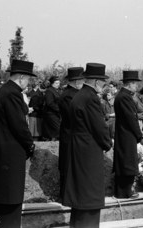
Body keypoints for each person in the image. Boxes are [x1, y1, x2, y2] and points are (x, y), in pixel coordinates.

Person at [62, 63, 112, 228]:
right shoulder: (90, 98)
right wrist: (108, 144)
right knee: (88, 197)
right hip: (88, 152)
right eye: (103, 83)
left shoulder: (79, 94)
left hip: (78, 147)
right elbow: (99, 127)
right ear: (97, 82)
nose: (104, 86)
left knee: (80, 197)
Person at [0, 60, 36, 228]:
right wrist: (31, 145)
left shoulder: (4, 91)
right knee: (10, 196)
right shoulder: (12, 94)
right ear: (21, 77)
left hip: (3, 150)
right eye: (28, 79)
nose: (29, 83)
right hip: (10, 153)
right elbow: (19, 126)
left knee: (6, 195)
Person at [113, 70, 143, 198]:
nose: (136, 86)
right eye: (135, 83)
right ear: (130, 84)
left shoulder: (123, 95)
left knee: (124, 161)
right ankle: (126, 191)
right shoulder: (125, 97)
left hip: (123, 133)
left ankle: (122, 191)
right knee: (127, 162)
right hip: (127, 134)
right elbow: (131, 118)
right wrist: (139, 135)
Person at [58, 67, 84, 199]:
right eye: (82, 79)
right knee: (68, 167)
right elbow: (73, 116)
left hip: (71, 134)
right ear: (75, 81)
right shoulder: (69, 95)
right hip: (70, 134)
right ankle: (66, 196)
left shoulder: (72, 93)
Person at [42, 76, 61, 141]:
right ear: (52, 83)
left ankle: (53, 142)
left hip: (55, 113)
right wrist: (59, 109)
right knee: (56, 128)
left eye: (59, 83)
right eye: (56, 83)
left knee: (56, 129)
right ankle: (52, 142)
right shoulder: (49, 91)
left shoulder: (55, 90)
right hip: (50, 113)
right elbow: (49, 103)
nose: (58, 84)